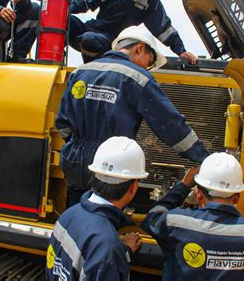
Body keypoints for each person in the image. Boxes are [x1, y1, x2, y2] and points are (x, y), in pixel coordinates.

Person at [55, 25, 210, 207]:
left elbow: (63, 122)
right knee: (103, 220)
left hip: (75, 161)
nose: (148, 67)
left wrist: (78, 146)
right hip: (112, 167)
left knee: (77, 216)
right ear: (139, 48)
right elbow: (170, 126)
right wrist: (204, 159)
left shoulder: (81, 72)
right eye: (149, 61)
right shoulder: (138, 78)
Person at [142, 153, 244, 280]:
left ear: (199, 194)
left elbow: (152, 218)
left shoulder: (176, 223)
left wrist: (183, 186)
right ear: (236, 198)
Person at [46, 136, 147, 280]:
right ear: (133, 187)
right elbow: (100, 258)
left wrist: (121, 251)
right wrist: (113, 253)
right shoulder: (105, 245)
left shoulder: (68, 215)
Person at [69, 0, 198, 64]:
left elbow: (163, 28)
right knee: (65, 20)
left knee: (89, 39)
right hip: (95, 30)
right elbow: (85, 2)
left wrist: (181, 51)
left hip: (117, 44)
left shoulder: (149, 0)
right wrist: (62, 7)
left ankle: (94, 71)